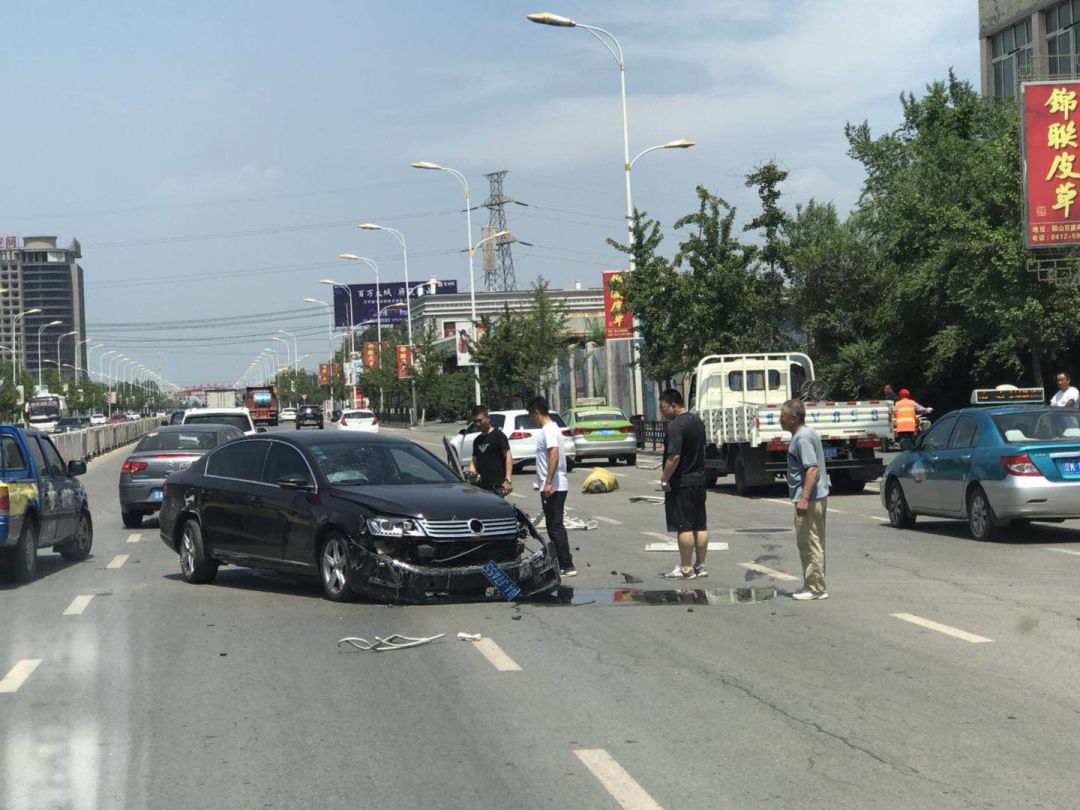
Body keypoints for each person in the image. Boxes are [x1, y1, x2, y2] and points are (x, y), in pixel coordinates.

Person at [779, 399, 829, 600]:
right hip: (814, 497)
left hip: (810, 498)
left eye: (783, 415)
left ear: (792, 418)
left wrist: (804, 498)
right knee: (812, 542)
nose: (780, 419)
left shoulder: (802, 438)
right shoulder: (804, 434)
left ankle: (816, 588)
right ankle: (812, 583)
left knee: (809, 542)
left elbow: (812, 468)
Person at [658, 388, 709, 579]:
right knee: (700, 525)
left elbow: (674, 456)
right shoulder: (697, 421)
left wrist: (664, 478)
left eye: (664, 407)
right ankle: (701, 565)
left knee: (684, 526)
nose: (663, 412)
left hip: (683, 482)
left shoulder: (676, 426)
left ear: (673, 405)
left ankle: (686, 567)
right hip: (699, 480)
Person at [528, 396, 575, 577]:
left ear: (537, 413)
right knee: (554, 525)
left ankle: (567, 564)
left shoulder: (548, 430)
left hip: (553, 486)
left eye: (532, 416)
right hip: (555, 483)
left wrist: (548, 482)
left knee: (555, 526)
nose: (533, 420)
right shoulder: (554, 428)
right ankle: (561, 562)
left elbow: (553, 455)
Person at [468, 405, 513, 496]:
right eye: (475, 421)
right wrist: (471, 474)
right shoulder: (477, 440)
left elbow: (508, 457)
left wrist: (507, 479)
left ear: (488, 418)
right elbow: (474, 462)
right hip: (481, 487)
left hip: (497, 487)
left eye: (480, 420)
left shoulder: (498, 435)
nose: (477, 424)